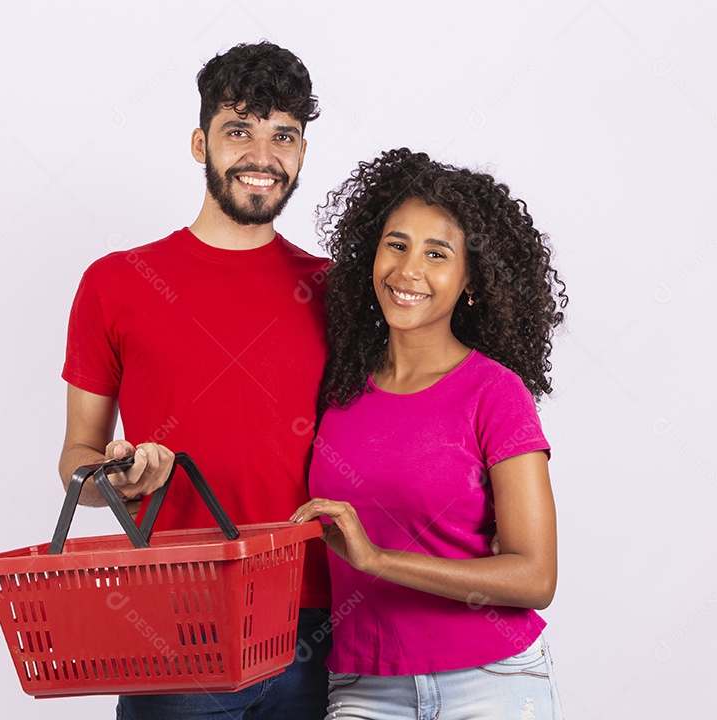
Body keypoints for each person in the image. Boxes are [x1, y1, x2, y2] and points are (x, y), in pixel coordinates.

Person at [59, 42, 331, 718]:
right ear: (198, 142)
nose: (262, 155)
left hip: (321, 624)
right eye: (239, 130)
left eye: (284, 135)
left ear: (301, 151)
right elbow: (76, 461)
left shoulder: (335, 291)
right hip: (178, 623)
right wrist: (113, 480)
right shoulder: (115, 283)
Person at [291, 148, 568, 719]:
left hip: (490, 680)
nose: (408, 270)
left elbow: (535, 575)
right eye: (396, 244)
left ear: (471, 281)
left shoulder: (495, 393)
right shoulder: (338, 388)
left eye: (436, 254)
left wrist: (376, 559)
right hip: (365, 684)